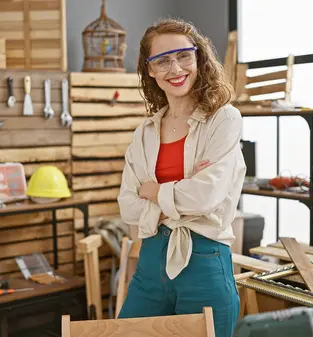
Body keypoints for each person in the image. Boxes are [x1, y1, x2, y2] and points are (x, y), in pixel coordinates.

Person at [116, 18, 246, 337]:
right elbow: (127, 207)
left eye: (183, 56)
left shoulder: (224, 119)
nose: (175, 68)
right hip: (151, 262)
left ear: (198, 57)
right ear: (150, 70)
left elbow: (207, 197)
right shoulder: (144, 134)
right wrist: (182, 193)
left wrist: (154, 192)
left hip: (205, 259)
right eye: (162, 60)